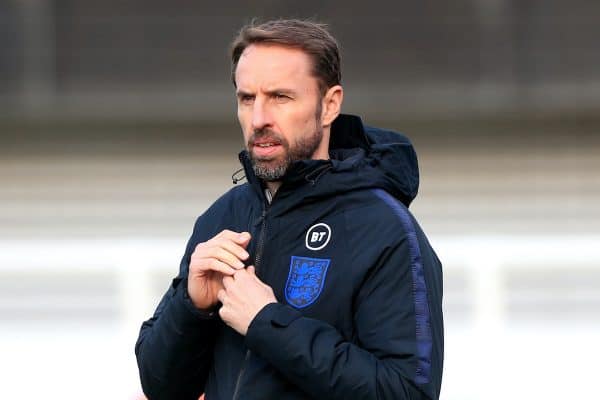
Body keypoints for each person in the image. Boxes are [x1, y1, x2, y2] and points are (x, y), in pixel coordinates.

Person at [135, 19, 443, 400]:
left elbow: (406, 391)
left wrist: (268, 323)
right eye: (247, 99)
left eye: (280, 97)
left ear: (329, 105)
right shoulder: (221, 218)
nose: (259, 118)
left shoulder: (385, 230)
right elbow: (161, 386)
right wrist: (191, 306)